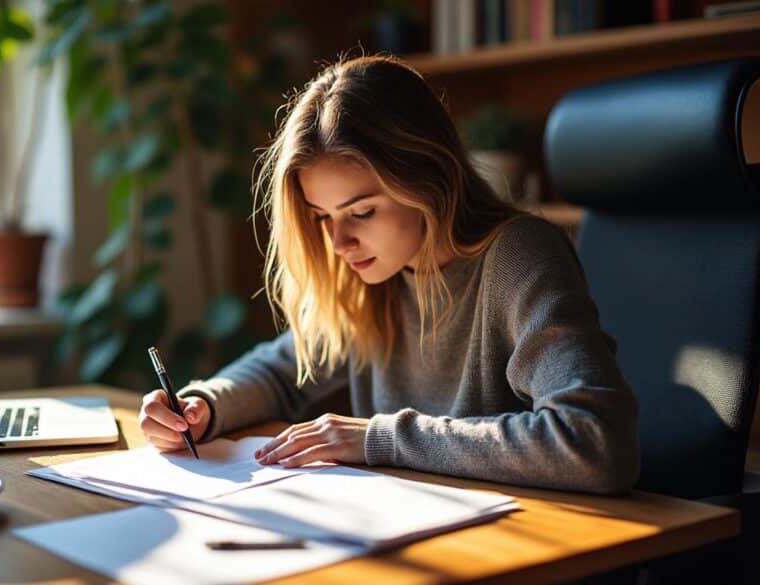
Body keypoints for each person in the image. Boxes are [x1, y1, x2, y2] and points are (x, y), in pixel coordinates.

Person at [138, 55, 639, 494]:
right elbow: (279, 372)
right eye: (322, 217)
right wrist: (203, 406)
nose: (338, 243)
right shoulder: (376, 274)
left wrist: (376, 438)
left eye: (362, 211)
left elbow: (595, 443)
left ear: (427, 177)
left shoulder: (516, 256)